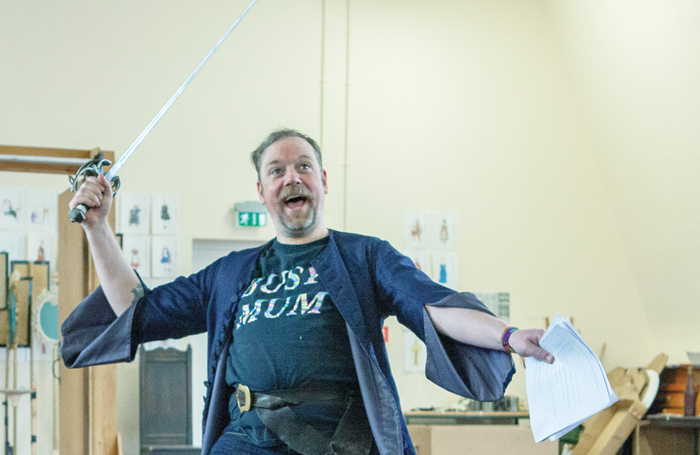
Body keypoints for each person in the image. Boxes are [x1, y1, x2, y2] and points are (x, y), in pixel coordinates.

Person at [60, 129, 554, 455]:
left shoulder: (364, 257)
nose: (291, 176)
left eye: (303, 167)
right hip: (246, 438)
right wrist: (99, 228)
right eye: (276, 170)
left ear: (322, 181)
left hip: (342, 438)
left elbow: (434, 304)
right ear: (261, 190)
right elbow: (135, 311)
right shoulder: (229, 274)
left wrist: (508, 336)